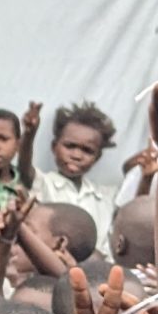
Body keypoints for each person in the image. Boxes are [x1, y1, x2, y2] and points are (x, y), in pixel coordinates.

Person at [33, 102, 117, 251]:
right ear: (54, 147)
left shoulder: (105, 198)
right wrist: (29, 135)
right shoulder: (42, 183)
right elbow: (25, 170)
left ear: (97, 157)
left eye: (87, 150)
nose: (77, 155)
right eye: (70, 146)